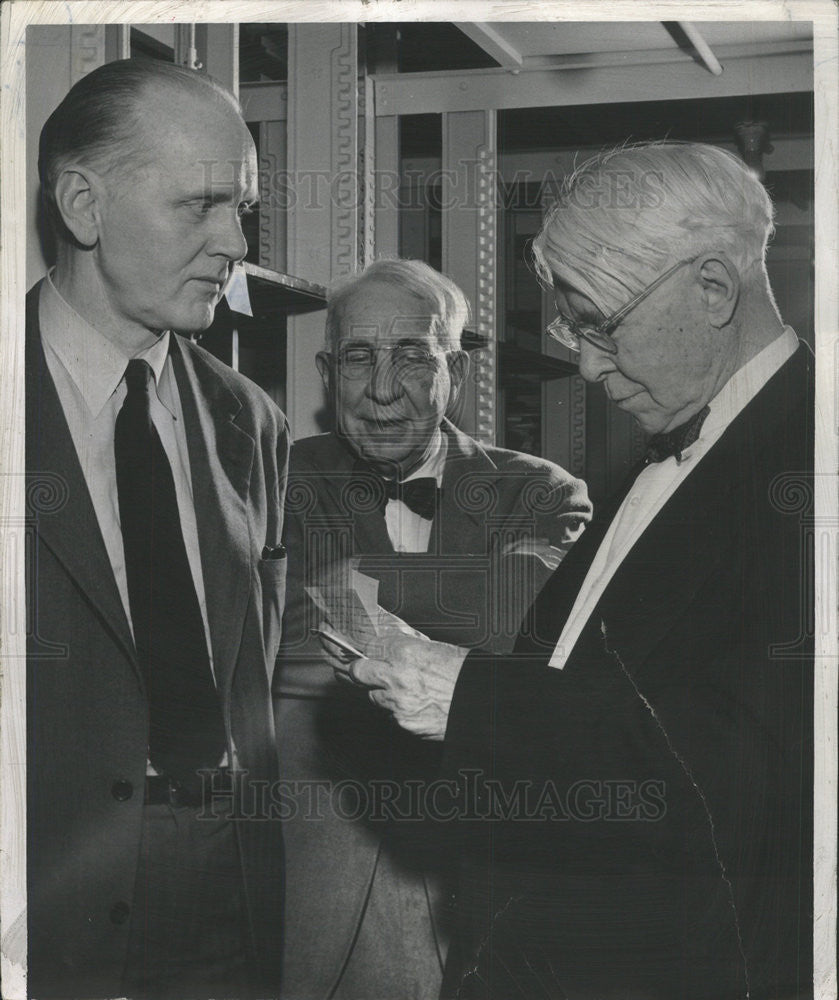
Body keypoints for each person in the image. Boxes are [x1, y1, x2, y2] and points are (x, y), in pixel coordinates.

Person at [322, 144, 815, 999]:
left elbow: (760, 776)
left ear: (711, 289)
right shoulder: (680, 450)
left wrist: (469, 698)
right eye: (569, 328)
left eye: (597, 323)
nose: (584, 364)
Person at [26, 59, 289, 999]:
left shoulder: (249, 419)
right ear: (83, 205)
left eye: (243, 209)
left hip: (223, 886)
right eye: (200, 207)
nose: (235, 242)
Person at [277, 258, 591, 1000]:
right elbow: (252, 640)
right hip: (317, 869)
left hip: (484, 865)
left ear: (457, 369)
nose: (383, 389)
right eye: (358, 357)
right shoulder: (272, 477)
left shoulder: (540, 491)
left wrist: (336, 586)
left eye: (413, 356)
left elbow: (511, 621)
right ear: (327, 371)